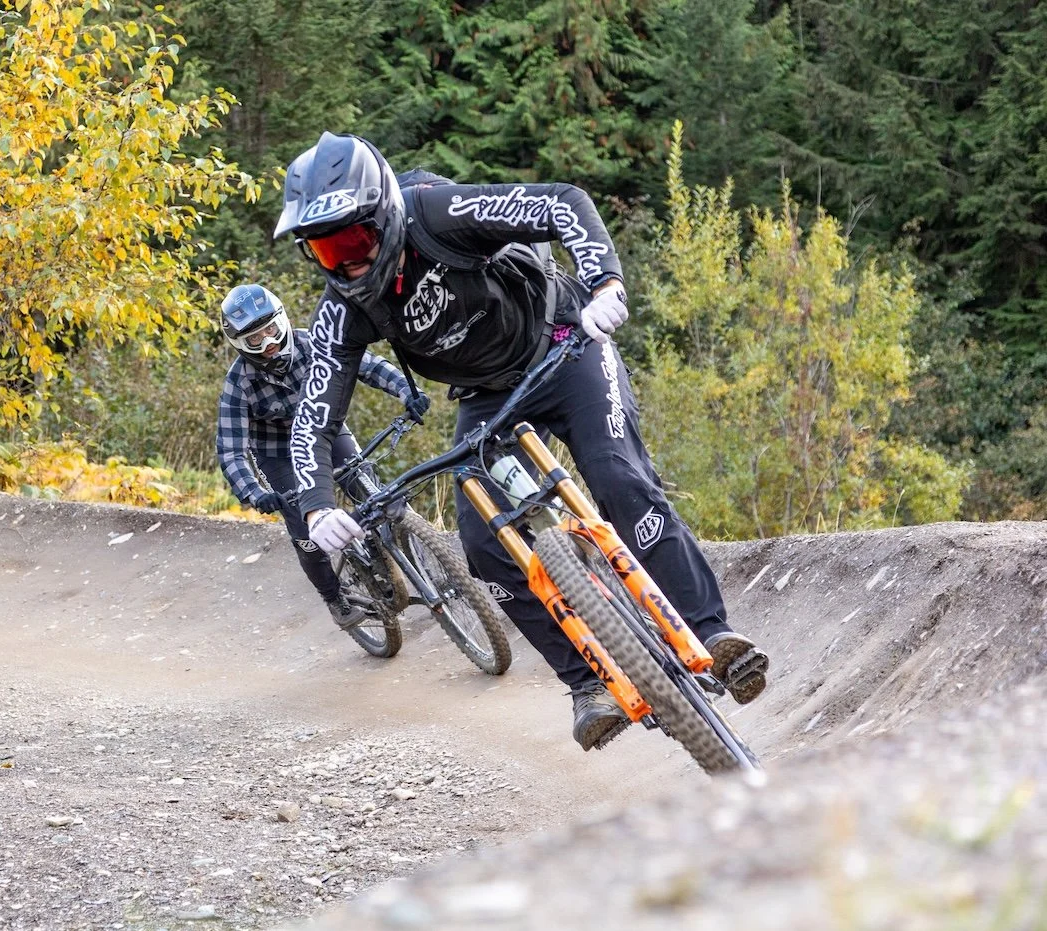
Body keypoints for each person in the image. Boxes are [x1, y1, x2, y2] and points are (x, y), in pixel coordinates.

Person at [274, 131, 770, 751]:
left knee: (618, 478)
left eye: (353, 240)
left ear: (386, 215)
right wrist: (319, 504)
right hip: (486, 400)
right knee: (484, 548)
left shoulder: (438, 213)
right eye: (324, 249)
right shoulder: (343, 312)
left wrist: (604, 284)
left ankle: (712, 635)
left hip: (566, 344)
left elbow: (562, 203)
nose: (345, 262)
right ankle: (587, 683)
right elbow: (313, 417)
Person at [216, 282, 430, 630]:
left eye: (270, 330)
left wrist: (408, 391)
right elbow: (230, 450)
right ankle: (335, 598)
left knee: (373, 492)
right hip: (279, 456)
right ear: (241, 343)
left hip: (324, 432)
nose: (268, 343)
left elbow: (370, 366)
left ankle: (417, 558)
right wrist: (255, 493)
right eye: (255, 339)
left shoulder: (313, 342)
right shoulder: (237, 384)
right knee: (306, 532)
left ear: (281, 320)